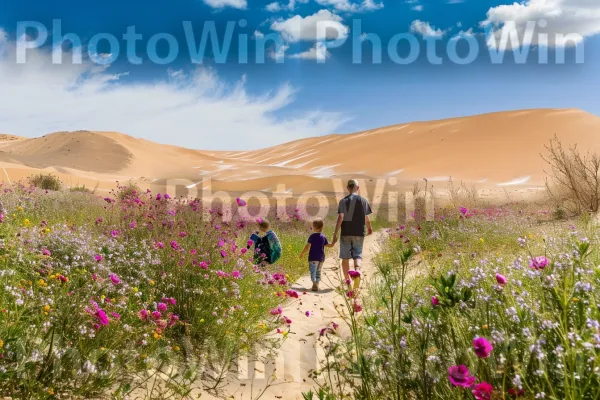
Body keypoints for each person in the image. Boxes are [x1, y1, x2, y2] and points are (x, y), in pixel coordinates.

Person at [332, 179, 373, 280]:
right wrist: (369, 228)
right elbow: (366, 218)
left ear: (348, 188)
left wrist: (335, 233)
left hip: (346, 233)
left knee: (345, 258)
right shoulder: (363, 201)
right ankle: (357, 271)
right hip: (359, 233)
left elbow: (341, 217)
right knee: (357, 255)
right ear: (357, 188)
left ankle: (347, 281)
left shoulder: (343, 201)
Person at [299, 219, 335, 291]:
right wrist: (334, 242)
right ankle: (317, 283)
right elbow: (329, 245)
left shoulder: (312, 236)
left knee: (313, 271)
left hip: (313, 257)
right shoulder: (323, 237)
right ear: (322, 227)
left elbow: (307, 246)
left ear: (314, 227)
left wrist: (302, 253)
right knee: (318, 271)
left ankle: (314, 282)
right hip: (321, 258)